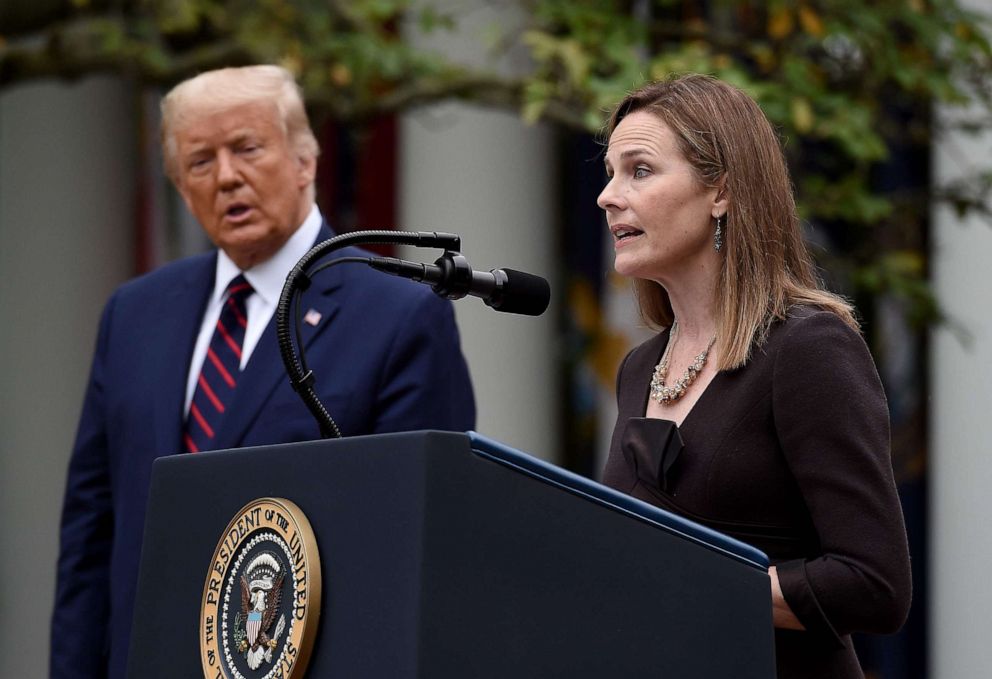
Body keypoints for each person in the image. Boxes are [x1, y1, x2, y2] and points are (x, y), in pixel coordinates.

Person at [50, 65, 476, 679]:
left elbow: (420, 548)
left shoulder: (398, 312)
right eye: (200, 162)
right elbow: (91, 536)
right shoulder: (133, 314)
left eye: (247, 148)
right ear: (178, 183)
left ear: (305, 160)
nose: (227, 177)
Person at [597, 74, 911, 678]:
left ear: (722, 191)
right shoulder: (639, 370)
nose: (608, 196)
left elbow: (875, 583)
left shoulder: (808, 348)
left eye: (638, 170)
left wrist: (692, 580)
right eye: (609, 173)